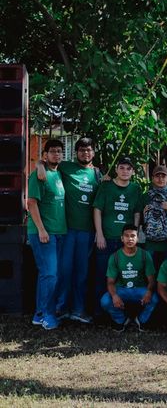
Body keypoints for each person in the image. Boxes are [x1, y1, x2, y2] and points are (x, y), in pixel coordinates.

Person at [37, 137, 101, 324]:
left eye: (88, 150)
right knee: (64, 271)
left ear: (93, 152)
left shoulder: (97, 174)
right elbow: (47, 162)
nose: (85, 153)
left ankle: (79, 310)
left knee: (82, 273)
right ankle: (60, 308)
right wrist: (40, 165)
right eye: (81, 150)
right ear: (76, 153)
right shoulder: (66, 167)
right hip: (66, 230)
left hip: (87, 232)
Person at [93, 156, 142, 317]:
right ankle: (100, 313)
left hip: (125, 242)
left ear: (133, 171)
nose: (125, 171)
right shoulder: (106, 186)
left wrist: (134, 236)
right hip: (106, 239)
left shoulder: (135, 189)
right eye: (122, 168)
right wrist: (99, 234)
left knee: (123, 276)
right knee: (102, 275)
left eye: (129, 168)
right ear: (116, 169)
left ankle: (120, 311)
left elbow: (136, 213)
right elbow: (97, 210)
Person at [27, 139, 67, 330]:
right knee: (50, 274)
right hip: (43, 233)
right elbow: (31, 203)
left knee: (50, 275)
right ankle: (46, 314)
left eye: (59, 151)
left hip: (59, 232)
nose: (56, 154)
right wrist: (42, 230)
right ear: (45, 155)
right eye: (52, 152)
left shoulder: (58, 173)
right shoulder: (38, 175)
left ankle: (39, 313)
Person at [100, 225, 158, 332]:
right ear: (122, 238)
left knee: (154, 299)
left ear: (138, 238)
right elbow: (110, 282)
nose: (130, 239)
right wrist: (114, 296)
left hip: (139, 289)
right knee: (105, 301)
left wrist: (149, 291)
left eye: (133, 236)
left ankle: (141, 320)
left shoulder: (145, 255)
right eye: (126, 236)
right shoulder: (115, 256)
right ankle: (121, 320)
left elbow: (151, 279)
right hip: (121, 289)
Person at [139, 165, 167, 271]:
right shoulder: (146, 197)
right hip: (150, 243)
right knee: (149, 273)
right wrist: (143, 213)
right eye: (157, 176)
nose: (160, 179)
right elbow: (139, 220)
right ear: (152, 178)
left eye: (163, 176)